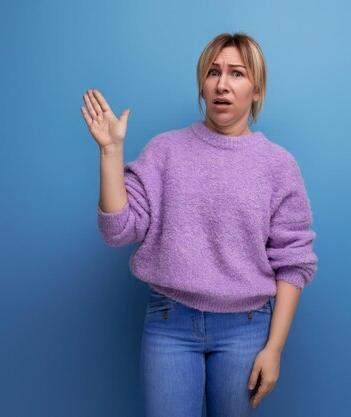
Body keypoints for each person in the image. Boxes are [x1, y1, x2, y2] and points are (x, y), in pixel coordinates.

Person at [80, 32, 317, 417]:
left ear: (257, 90)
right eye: (213, 72)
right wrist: (110, 153)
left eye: (237, 74)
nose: (222, 84)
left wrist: (274, 349)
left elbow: (294, 261)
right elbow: (118, 230)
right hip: (170, 321)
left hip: (246, 327)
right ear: (202, 84)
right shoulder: (164, 150)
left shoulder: (278, 165)